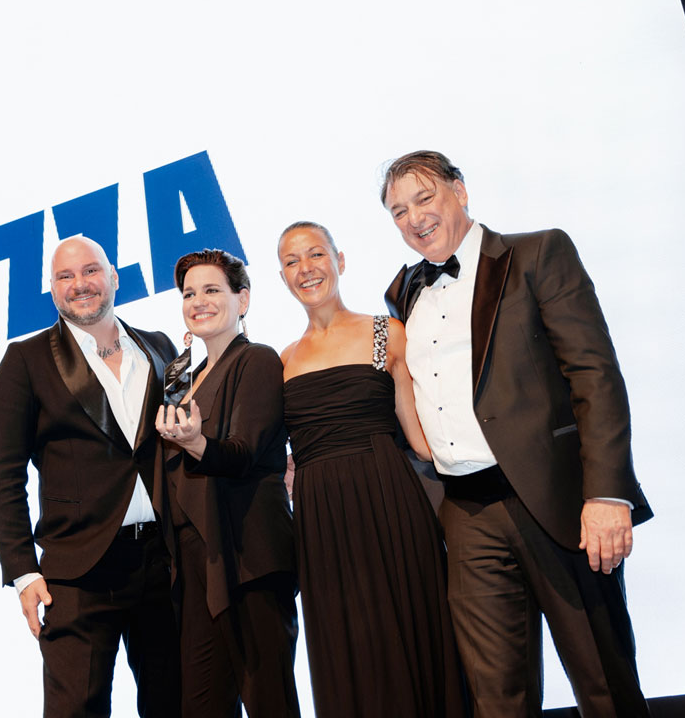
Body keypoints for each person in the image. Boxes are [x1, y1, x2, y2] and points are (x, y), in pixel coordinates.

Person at [381, 150, 653, 717]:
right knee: (496, 696)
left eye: (424, 198)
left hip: (554, 501)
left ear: (460, 189)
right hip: (466, 510)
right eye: (398, 211)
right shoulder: (404, 292)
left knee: (603, 681)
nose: (414, 218)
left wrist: (606, 493)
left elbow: (594, 374)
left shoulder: (537, 252)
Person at [278, 221, 467, 717]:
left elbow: (421, 440)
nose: (306, 268)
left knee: (410, 626)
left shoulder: (385, 333)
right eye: (293, 261)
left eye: (316, 254)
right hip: (321, 518)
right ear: (282, 277)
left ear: (339, 261)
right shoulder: (282, 360)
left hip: (389, 500)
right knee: (347, 643)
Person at [0, 236, 181, 718]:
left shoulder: (158, 348)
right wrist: (23, 570)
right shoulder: (24, 362)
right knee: (77, 709)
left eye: (91, 271)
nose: (80, 285)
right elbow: (4, 476)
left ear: (114, 277)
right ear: (52, 290)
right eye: (65, 277)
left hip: (165, 560)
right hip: (77, 572)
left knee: (178, 703)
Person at [154, 249, 300, 718]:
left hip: (248, 558)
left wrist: (197, 443)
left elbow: (240, 454)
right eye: (189, 293)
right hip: (196, 561)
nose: (198, 301)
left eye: (212, 290)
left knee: (267, 699)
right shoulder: (181, 382)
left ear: (243, 298)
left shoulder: (256, 360)